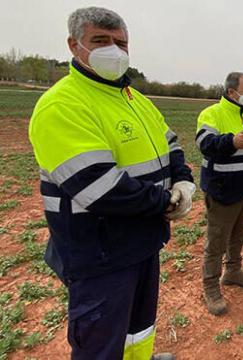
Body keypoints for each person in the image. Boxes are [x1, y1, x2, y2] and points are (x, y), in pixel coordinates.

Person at [28, 7, 194, 360]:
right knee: (101, 344)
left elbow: (172, 144)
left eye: (121, 43)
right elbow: (98, 186)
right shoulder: (62, 104)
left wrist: (184, 182)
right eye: (101, 41)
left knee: (138, 329)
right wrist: (166, 202)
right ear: (75, 46)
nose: (114, 51)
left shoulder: (136, 101)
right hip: (100, 253)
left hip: (143, 242)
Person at [196, 72, 243, 316]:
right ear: (232, 92)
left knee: (238, 235)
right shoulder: (211, 114)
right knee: (216, 243)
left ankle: (233, 271)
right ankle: (211, 287)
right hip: (222, 192)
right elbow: (205, 145)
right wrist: (231, 142)